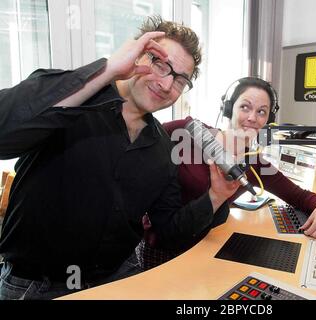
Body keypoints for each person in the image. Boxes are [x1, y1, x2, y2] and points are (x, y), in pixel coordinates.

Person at [0, 15, 239, 300]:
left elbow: (167, 231)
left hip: (118, 278)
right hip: (37, 286)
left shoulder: (164, 149)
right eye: (158, 62)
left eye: (179, 80)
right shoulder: (72, 99)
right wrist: (107, 69)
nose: (165, 84)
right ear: (135, 55)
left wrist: (215, 196)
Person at [137, 77, 316, 270]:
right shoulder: (186, 131)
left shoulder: (254, 164)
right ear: (229, 109)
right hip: (162, 250)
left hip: (206, 249)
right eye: (245, 107)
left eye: (261, 112)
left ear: (268, 119)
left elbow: (300, 196)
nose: (252, 118)